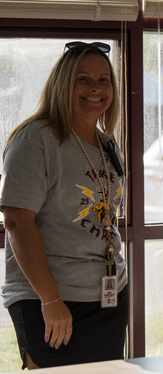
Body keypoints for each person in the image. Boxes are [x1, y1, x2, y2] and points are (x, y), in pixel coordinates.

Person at [1, 41, 128, 369]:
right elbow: (16, 222)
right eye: (83, 79)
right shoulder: (36, 139)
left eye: (104, 80)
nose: (95, 89)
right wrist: (51, 300)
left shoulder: (106, 142)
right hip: (53, 299)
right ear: (62, 84)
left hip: (107, 296)